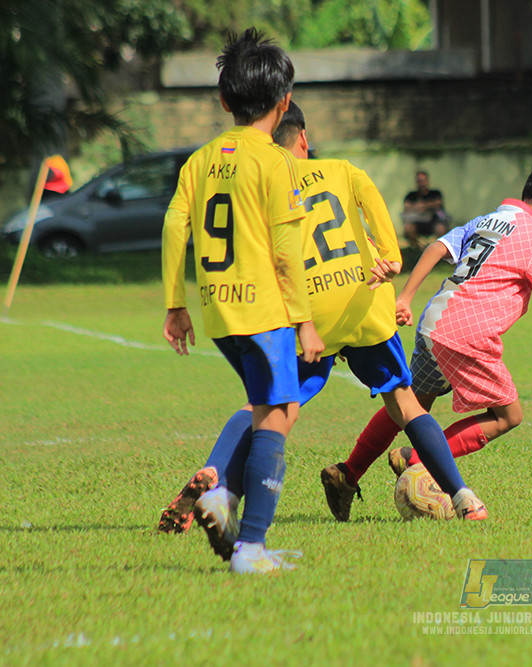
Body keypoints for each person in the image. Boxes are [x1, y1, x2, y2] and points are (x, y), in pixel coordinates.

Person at [158, 102, 487, 555]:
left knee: (267, 406)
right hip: (361, 298)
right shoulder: (343, 170)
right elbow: (376, 211)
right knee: (405, 403)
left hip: (306, 308)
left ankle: (218, 475)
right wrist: (390, 259)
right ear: (304, 140)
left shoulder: (263, 177)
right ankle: (463, 497)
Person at [319, 158, 532, 519]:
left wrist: (405, 296)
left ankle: (347, 473)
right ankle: (418, 459)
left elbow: (437, 247)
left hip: (433, 322)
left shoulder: (493, 218)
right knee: (507, 416)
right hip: (467, 334)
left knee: (408, 406)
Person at [161, 28, 324, 575]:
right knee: (279, 416)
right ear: (283, 104)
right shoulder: (275, 163)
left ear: (225, 101)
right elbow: (285, 252)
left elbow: (174, 224)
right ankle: (250, 547)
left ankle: (223, 498)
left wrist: (174, 304)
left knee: (268, 410)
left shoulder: (201, 160)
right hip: (264, 312)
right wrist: (304, 323)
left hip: (219, 313)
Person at [402, 170, 449, 248]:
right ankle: (415, 248)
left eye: (423, 181)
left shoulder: (435, 193)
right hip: (417, 222)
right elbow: (407, 206)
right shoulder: (411, 195)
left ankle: (440, 249)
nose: (421, 183)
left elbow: (438, 203)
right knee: (408, 227)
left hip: (433, 222)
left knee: (441, 228)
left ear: (427, 181)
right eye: (419, 181)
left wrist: (422, 205)